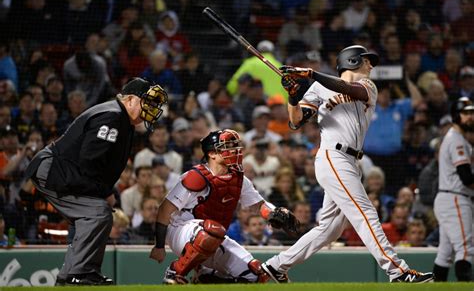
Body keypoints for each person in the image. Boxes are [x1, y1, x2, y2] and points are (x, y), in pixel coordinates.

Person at [261, 45, 434, 283]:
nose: (371, 66)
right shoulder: (318, 88)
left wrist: (311, 75)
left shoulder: (367, 86)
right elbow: (296, 122)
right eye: (366, 61)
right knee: (365, 212)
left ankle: (276, 266)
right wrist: (292, 96)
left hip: (351, 161)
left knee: (330, 228)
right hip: (333, 156)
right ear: (351, 61)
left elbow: (347, 88)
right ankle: (398, 270)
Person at [24, 78, 168, 286]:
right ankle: (79, 273)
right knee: (96, 213)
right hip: (55, 170)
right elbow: (90, 160)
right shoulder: (112, 116)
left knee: (97, 214)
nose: (152, 108)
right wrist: (104, 192)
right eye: (148, 101)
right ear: (129, 100)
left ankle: (71, 275)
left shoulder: (122, 118)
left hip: (66, 172)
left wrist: (104, 192)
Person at [149, 129, 299, 284]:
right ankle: (175, 272)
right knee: (209, 232)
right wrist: (159, 246)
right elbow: (164, 210)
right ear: (212, 154)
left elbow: (258, 205)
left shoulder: (238, 178)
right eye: (227, 146)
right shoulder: (196, 176)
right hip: (180, 231)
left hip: (214, 235)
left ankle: (206, 277)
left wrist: (273, 213)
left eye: (234, 145)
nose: (234, 150)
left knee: (255, 275)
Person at [433, 97, 474, 282]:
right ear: (456, 116)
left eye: (472, 113)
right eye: (466, 113)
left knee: (445, 252)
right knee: (465, 249)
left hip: (449, 198)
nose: (471, 117)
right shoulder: (456, 140)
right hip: (455, 198)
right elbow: (466, 178)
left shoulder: (455, 137)